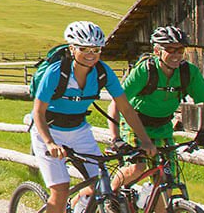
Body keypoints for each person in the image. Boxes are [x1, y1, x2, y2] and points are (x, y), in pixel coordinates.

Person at [29, 21, 157, 213]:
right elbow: (38, 112)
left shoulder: (103, 72)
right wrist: (49, 143)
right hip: (48, 131)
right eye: (84, 49)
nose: (91, 55)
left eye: (96, 50)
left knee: (99, 182)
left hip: (79, 130)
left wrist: (146, 141)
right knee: (61, 190)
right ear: (72, 49)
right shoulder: (56, 72)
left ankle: (76, 207)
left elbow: (126, 108)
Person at [108, 25, 204, 212]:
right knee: (137, 168)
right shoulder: (145, 71)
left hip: (164, 127)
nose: (176, 55)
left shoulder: (188, 72)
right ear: (157, 51)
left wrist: (203, 131)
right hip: (135, 124)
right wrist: (115, 138)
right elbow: (116, 103)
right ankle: (110, 196)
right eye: (170, 49)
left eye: (180, 50)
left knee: (166, 180)